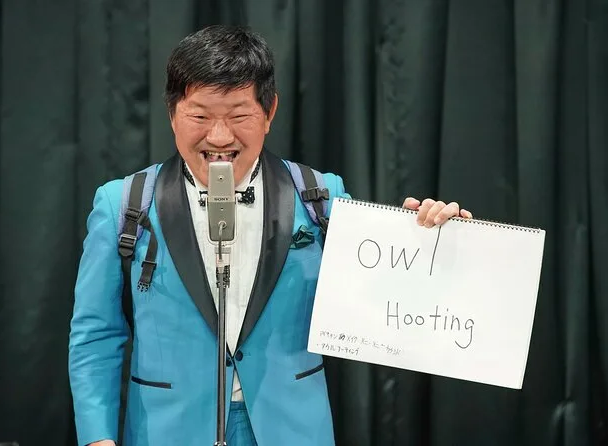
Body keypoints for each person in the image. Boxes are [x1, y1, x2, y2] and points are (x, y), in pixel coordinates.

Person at [68, 25, 473, 446]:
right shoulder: (124, 204)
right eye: (200, 116)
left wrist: (433, 239)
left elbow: (388, 297)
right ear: (172, 114)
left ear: (269, 112)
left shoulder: (321, 196)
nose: (219, 137)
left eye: (239, 116)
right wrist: (97, 438)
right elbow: (96, 334)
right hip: (168, 430)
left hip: (292, 429)